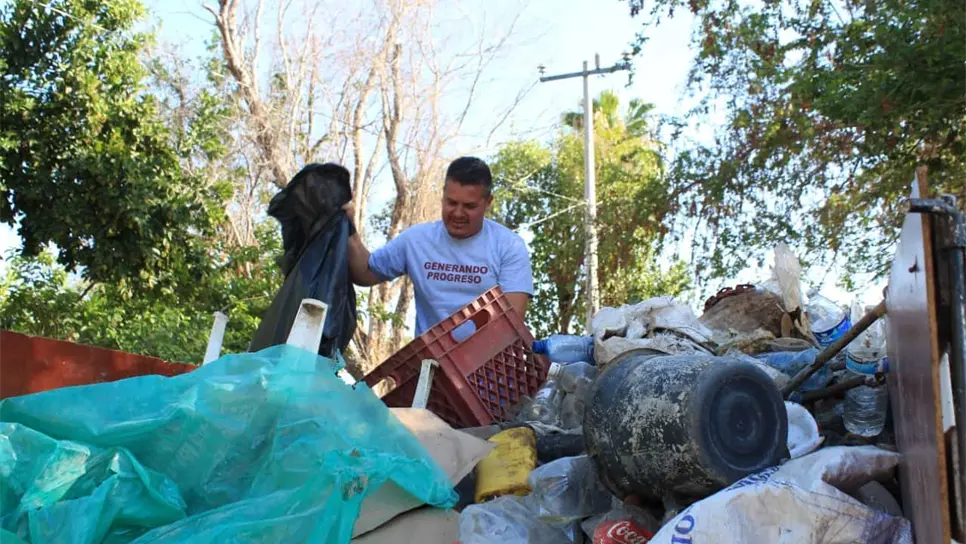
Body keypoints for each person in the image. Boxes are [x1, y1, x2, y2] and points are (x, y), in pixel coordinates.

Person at [343, 156, 533, 336]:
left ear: (487, 203)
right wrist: (349, 229)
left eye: (469, 206)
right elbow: (366, 272)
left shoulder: (509, 246)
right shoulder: (416, 240)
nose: (458, 213)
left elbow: (511, 322)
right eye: (451, 203)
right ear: (442, 196)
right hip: (428, 364)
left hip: (487, 367)